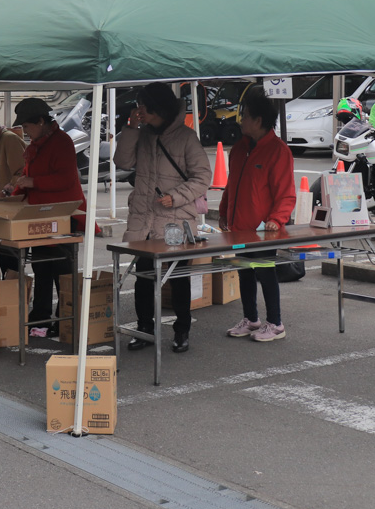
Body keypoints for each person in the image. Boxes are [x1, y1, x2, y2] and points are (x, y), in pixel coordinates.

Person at [115, 82, 212, 353]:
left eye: (143, 106)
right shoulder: (142, 133)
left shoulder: (185, 137)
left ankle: (182, 330)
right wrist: (131, 128)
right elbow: (122, 162)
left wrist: (177, 196)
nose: (139, 110)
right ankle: (145, 328)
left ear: (157, 107)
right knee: (144, 278)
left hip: (176, 221)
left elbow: (203, 176)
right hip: (144, 220)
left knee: (178, 278)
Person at [2, 98, 86, 334]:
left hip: (63, 215)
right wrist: (15, 191)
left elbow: (66, 180)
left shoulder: (62, 142)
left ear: (41, 121)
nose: (25, 132)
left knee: (61, 268)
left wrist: (33, 182)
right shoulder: (35, 145)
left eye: (27, 127)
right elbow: (27, 178)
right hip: (38, 216)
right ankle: (40, 317)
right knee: (41, 267)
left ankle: (65, 319)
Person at [219, 92, 296, 342]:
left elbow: (286, 192)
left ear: (259, 120)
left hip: (263, 229)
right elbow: (231, 185)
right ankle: (251, 319)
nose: (241, 120)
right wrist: (223, 211)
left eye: (246, 116)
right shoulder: (240, 148)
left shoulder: (278, 151)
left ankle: (276, 323)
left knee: (265, 271)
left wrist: (277, 218)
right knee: (244, 271)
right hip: (239, 226)